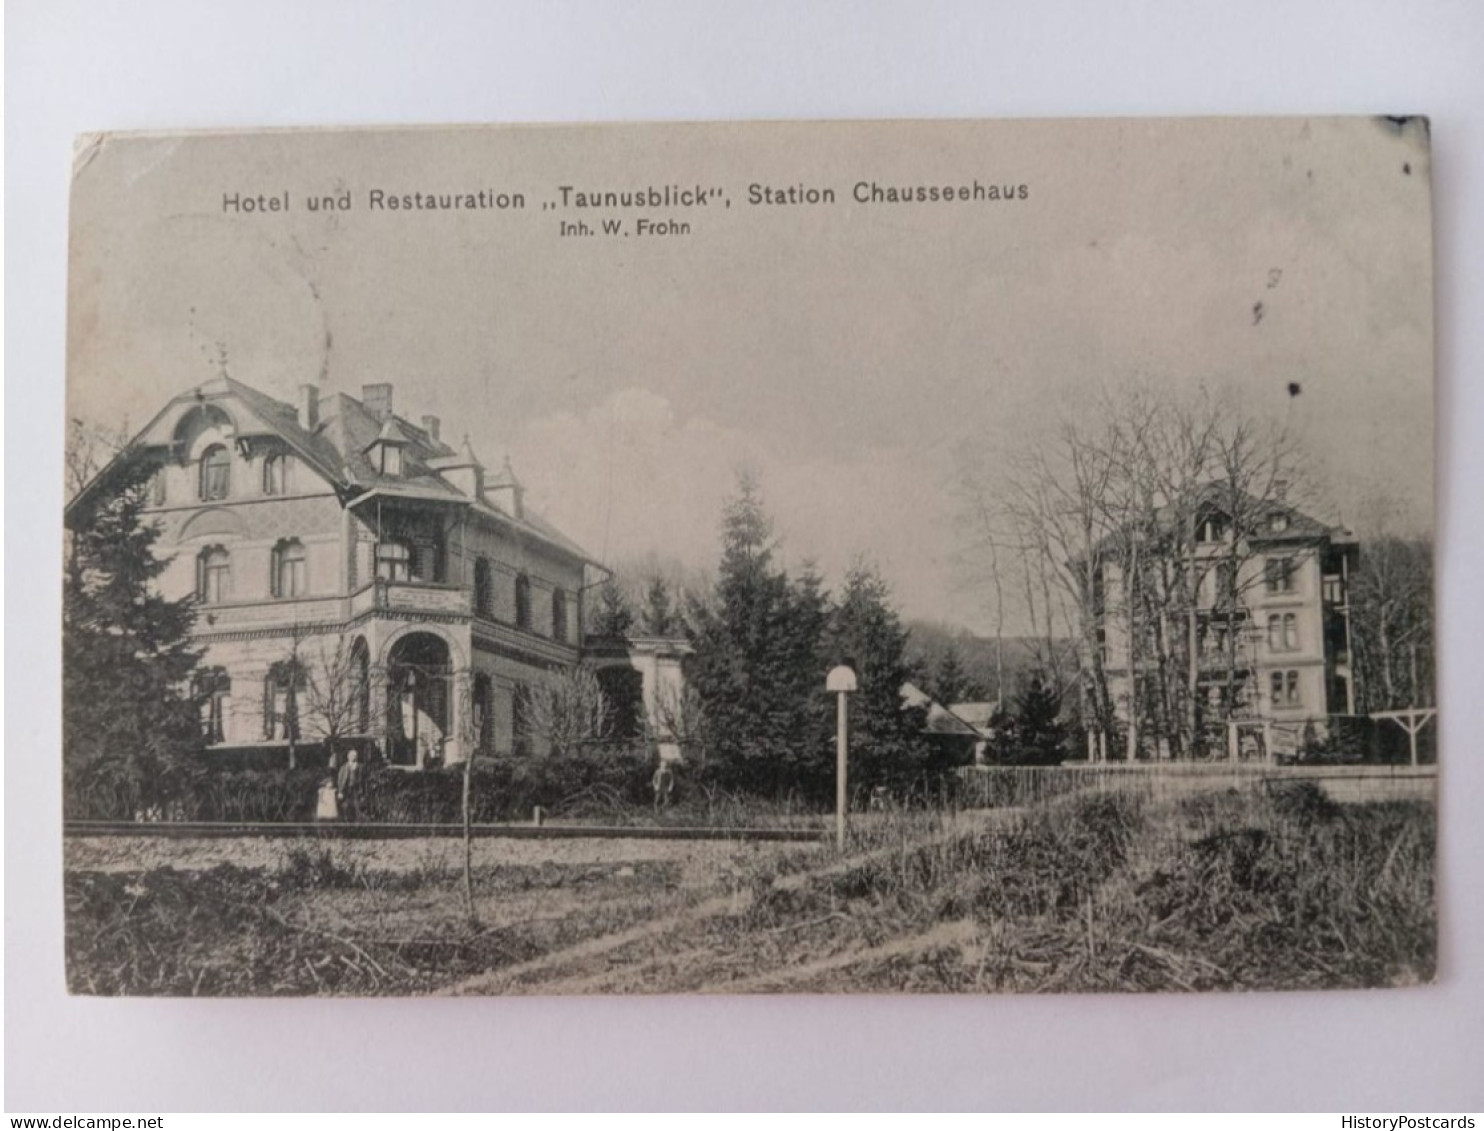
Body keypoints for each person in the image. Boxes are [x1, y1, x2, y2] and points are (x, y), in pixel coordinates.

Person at [336, 748, 363, 821]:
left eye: (355, 755)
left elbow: (363, 780)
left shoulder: (360, 767)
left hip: (356, 790)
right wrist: (340, 791)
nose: (353, 757)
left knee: (357, 807)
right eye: (351, 755)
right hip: (346, 789)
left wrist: (362, 791)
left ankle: (357, 825)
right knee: (345, 807)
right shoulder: (343, 767)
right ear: (348, 757)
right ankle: (347, 823)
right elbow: (340, 780)